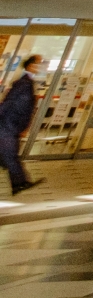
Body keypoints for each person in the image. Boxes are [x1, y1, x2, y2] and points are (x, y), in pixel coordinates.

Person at [0, 55, 43, 195]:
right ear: (30, 66)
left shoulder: (27, 83)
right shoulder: (23, 83)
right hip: (8, 124)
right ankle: (20, 183)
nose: (40, 67)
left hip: (11, 124)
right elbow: (9, 102)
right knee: (10, 156)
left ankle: (19, 183)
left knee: (9, 155)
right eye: (38, 64)